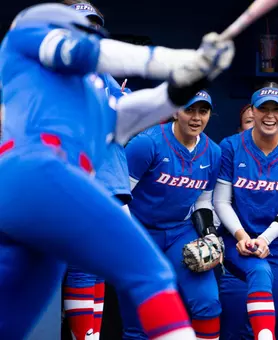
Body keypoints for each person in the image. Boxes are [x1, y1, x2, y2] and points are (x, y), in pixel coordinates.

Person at [0, 3, 234, 339]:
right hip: (38, 168)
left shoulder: (92, 93)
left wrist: (183, 82)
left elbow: (129, 115)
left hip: (43, 195)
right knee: (149, 272)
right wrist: (180, 59)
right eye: (82, 24)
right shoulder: (30, 35)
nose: (88, 31)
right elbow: (82, 50)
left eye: (93, 25)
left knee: (12, 316)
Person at [120, 90, 222, 339]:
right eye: (189, 110)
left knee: (207, 303)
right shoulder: (147, 143)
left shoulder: (213, 152)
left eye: (203, 111)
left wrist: (209, 234)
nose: (196, 118)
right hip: (140, 230)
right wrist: (131, 241)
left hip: (179, 232)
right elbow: (119, 196)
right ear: (176, 111)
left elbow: (203, 201)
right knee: (140, 319)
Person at [214, 82, 278, 340]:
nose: (269, 115)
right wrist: (242, 237)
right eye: (263, 109)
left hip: (277, 244)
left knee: (273, 314)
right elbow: (221, 201)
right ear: (253, 111)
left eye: (276, 109)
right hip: (237, 239)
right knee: (250, 317)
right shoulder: (231, 146)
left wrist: (265, 239)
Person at [60, 3, 132, 340]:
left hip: (111, 183)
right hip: (80, 183)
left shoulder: (102, 73)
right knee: (82, 265)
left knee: (98, 265)